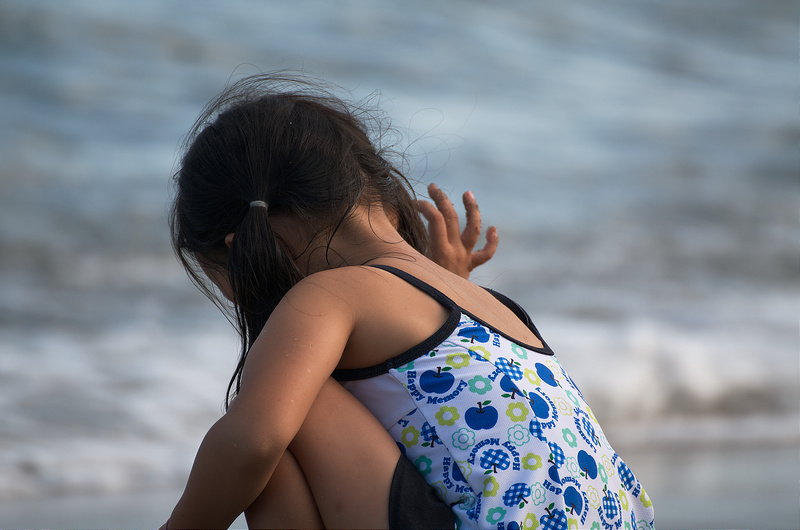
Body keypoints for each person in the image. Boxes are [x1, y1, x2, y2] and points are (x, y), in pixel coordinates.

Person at [163, 73, 656, 529]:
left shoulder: (327, 295)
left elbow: (254, 442)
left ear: (252, 240)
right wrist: (450, 276)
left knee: (276, 407)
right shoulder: (483, 303)